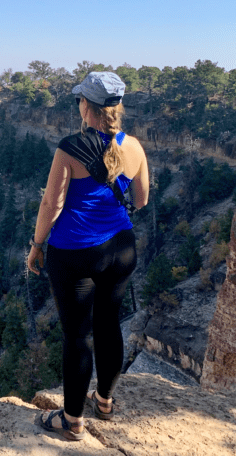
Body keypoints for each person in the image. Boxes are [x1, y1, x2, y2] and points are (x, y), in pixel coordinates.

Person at [27, 71, 149, 441]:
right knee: (109, 325)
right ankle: (105, 402)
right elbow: (141, 200)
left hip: (75, 253)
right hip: (121, 249)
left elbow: (52, 204)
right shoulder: (134, 147)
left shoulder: (69, 148)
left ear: (86, 107)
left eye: (80, 99)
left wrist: (36, 245)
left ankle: (72, 420)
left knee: (77, 336)